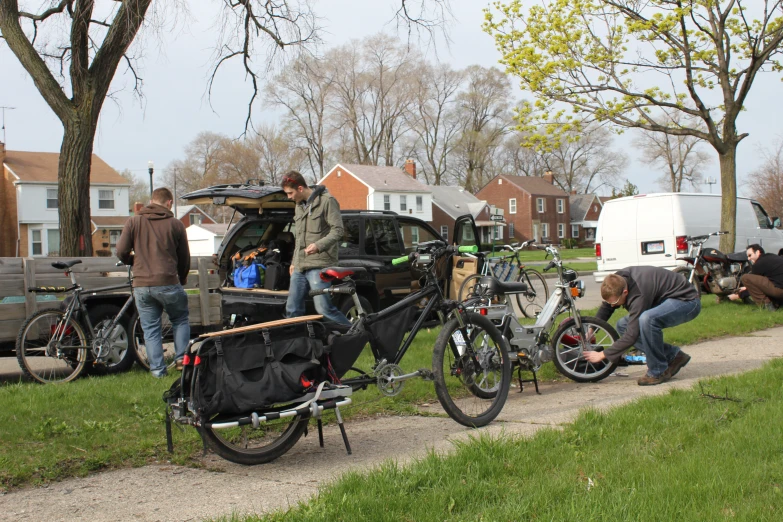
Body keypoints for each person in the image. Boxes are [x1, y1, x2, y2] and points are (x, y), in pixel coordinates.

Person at [116, 187, 191, 378]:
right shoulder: (175, 225)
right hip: (168, 281)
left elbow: (121, 251)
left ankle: (157, 370)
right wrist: (181, 278)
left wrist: (132, 261)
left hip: (142, 284)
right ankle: (182, 359)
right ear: (169, 203)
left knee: (150, 328)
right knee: (180, 319)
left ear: (152, 201)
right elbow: (184, 258)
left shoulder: (133, 222)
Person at [583, 266, 701, 386]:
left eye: (614, 302)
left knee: (647, 319)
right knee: (622, 325)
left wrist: (602, 354)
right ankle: (674, 356)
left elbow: (631, 336)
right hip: (667, 299)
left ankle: (658, 371)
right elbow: (607, 306)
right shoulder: (617, 280)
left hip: (687, 302)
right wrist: (592, 329)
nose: (612, 305)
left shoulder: (639, 294)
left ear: (625, 292)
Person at [282, 171, 351, 326]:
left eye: (290, 193)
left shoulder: (327, 201)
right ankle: (298, 344)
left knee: (324, 309)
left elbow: (338, 231)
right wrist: (294, 262)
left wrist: (319, 245)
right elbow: (299, 238)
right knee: (292, 310)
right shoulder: (299, 206)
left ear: (300, 188)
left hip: (319, 266)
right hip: (300, 266)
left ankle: (356, 334)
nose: (289, 197)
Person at [727, 244, 783, 311]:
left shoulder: (758, 264)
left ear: (757, 252)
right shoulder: (772, 257)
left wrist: (739, 295)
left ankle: (766, 306)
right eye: (747, 256)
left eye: (750, 255)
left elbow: (754, 287)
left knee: (745, 278)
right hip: (779, 289)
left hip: (780, 291)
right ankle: (776, 303)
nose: (748, 258)